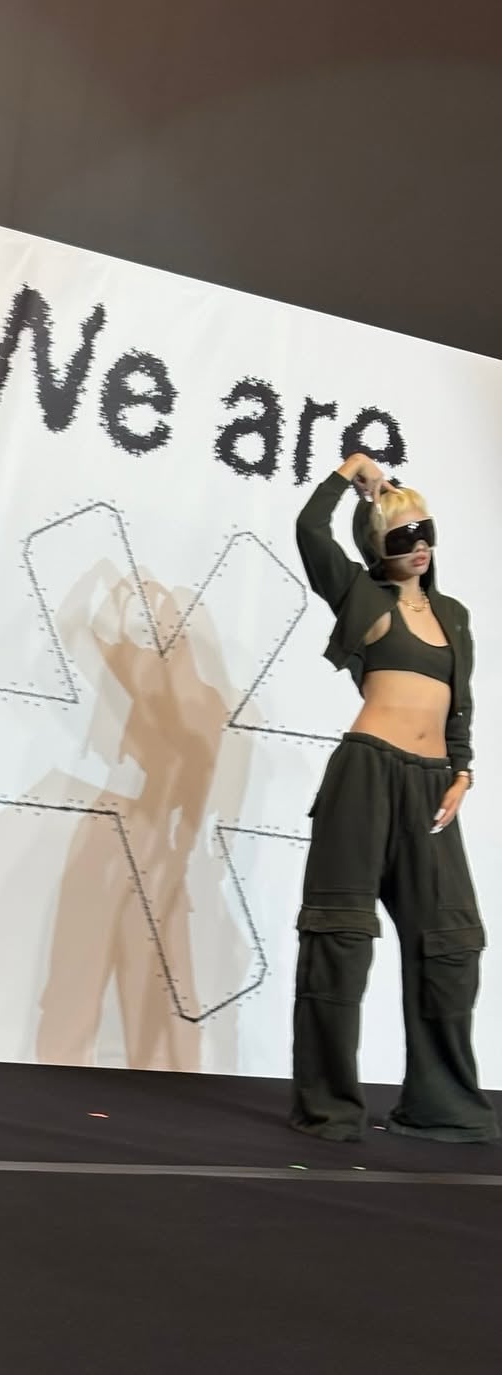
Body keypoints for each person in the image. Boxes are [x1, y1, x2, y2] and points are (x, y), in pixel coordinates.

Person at [290, 452, 498, 1143]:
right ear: (378, 546)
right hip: (365, 774)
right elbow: (310, 530)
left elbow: (459, 705)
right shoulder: (362, 597)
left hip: (432, 784)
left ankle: (441, 1105)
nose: (419, 545)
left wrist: (462, 772)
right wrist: (350, 473)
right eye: (403, 535)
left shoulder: (453, 616)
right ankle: (330, 1109)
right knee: (340, 936)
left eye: (425, 530)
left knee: (450, 942)